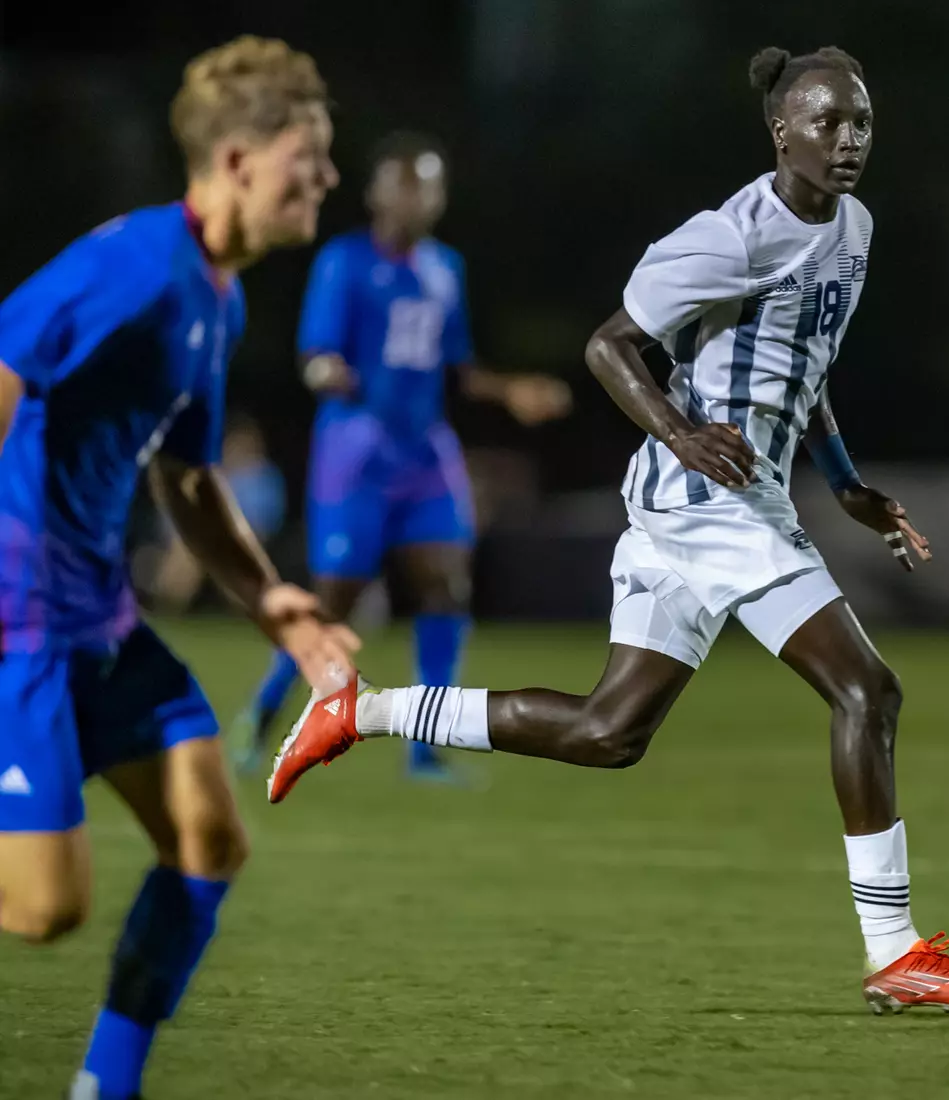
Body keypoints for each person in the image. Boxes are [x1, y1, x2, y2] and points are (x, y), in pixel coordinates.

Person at [269, 45, 949, 1014]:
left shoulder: (855, 228)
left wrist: (844, 483)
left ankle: (362, 711)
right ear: (781, 129)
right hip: (709, 501)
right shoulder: (730, 236)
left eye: (861, 123)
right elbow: (608, 344)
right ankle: (896, 951)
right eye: (826, 122)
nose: (847, 141)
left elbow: (806, 363)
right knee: (867, 690)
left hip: (712, 502)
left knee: (607, 730)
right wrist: (681, 430)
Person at [0, 37, 359, 1100]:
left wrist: (276, 609)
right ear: (242, 159)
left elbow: (192, 480)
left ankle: (104, 1086)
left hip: (95, 615)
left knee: (208, 835)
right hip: (16, 614)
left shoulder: (218, 295)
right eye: (313, 156)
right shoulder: (137, 270)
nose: (327, 180)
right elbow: (8, 356)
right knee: (39, 908)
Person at [230, 132, 570, 779]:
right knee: (336, 601)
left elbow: (457, 367)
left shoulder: (446, 268)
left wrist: (511, 390)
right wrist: (326, 371)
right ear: (377, 192)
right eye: (406, 182)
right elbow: (316, 353)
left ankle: (424, 746)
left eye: (430, 183)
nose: (418, 196)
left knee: (447, 583)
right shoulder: (345, 262)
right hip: (357, 449)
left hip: (424, 450)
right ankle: (263, 714)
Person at [146, 413, 287, 612]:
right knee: (185, 553)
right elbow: (177, 513)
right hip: (197, 541)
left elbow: (265, 521)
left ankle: (253, 610)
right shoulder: (211, 473)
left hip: (245, 542)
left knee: (228, 557)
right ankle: (167, 610)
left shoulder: (264, 476)